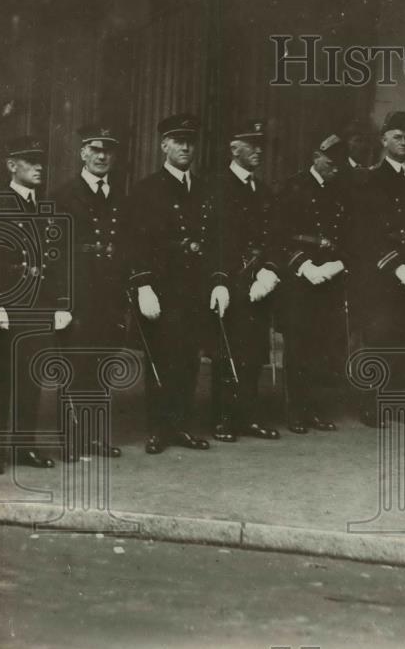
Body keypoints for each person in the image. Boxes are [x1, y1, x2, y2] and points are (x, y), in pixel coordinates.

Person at [127, 113, 227, 455]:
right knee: (162, 358)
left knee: (188, 360)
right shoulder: (146, 190)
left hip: (195, 290)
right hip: (162, 290)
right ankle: (158, 428)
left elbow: (214, 241)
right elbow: (136, 243)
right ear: (163, 145)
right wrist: (143, 286)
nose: (186, 147)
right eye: (178, 141)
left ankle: (181, 425)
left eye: (190, 142)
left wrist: (218, 282)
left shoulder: (204, 189)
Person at [51, 124, 128, 461]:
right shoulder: (63, 195)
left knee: (102, 367)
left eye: (108, 150)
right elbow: (55, 254)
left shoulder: (119, 196)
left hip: (109, 297)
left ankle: (95, 438)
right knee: (75, 368)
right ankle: (70, 440)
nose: (102, 156)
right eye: (95, 150)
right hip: (78, 297)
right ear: (82, 152)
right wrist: (63, 303)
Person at [0, 136, 69, 471]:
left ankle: (24, 447)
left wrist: (58, 306)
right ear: (12, 165)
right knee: (0, 381)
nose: (39, 167)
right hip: (5, 308)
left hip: (37, 307)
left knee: (30, 380)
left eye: (41, 161)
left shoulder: (45, 207)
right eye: (30, 160)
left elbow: (55, 262)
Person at [356, 110, 405, 427]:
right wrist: (396, 267)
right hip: (383, 273)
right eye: (397, 136)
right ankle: (371, 404)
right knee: (379, 337)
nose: (404, 142)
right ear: (383, 140)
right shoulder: (370, 180)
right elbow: (365, 232)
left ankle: (401, 403)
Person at [207, 119, 281, 443]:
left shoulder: (264, 191)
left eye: (260, 144)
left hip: (257, 283)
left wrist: (269, 271)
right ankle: (223, 417)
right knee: (226, 352)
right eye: (251, 144)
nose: (258, 150)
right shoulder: (216, 186)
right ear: (234, 149)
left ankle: (249, 416)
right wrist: (220, 280)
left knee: (253, 353)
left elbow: (273, 238)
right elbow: (213, 240)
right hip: (229, 282)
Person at [275, 132, 353, 433]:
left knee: (321, 347)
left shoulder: (340, 191)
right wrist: (303, 265)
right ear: (315, 157)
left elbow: (348, 234)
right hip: (300, 280)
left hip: (329, 278)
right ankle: (295, 410)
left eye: (338, 165)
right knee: (297, 346)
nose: (335, 169)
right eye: (330, 162)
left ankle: (313, 409)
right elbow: (279, 236)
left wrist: (338, 263)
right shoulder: (292, 187)